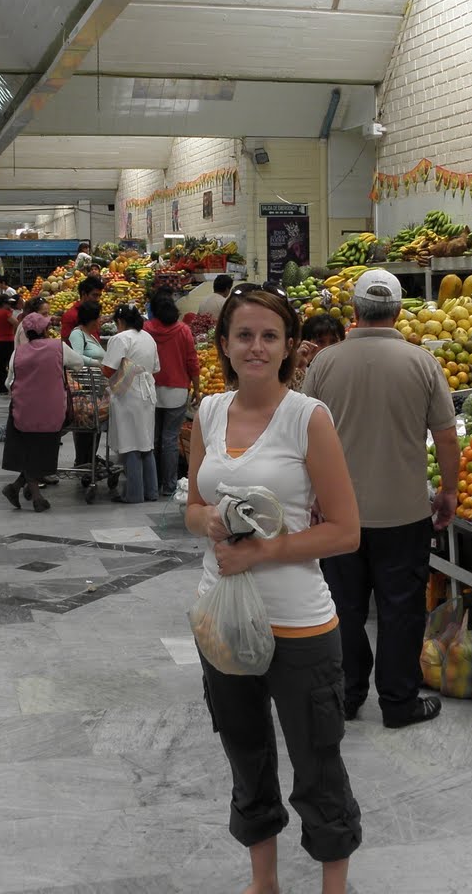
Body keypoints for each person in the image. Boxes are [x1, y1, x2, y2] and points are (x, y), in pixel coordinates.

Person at [186, 286, 362, 892]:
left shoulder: (308, 418)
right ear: (225, 344)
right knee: (246, 755)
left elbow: (345, 531)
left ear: (289, 347)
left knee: (318, 762)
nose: (256, 347)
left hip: (299, 625)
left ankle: (333, 887)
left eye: (269, 336)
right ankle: (264, 883)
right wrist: (209, 521)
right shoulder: (209, 413)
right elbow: (192, 507)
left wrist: (263, 551)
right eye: (244, 335)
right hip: (222, 620)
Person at [302, 269, 457, 728]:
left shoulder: (324, 364)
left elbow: (302, 435)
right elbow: (447, 437)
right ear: (399, 310)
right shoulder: (422, 362)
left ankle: (346, 695)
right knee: (401, 610)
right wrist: (449, 491)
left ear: (354, 310)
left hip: (338, 514)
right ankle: (398, 701)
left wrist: (311, 495)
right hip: (404, 514)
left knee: (344, 609)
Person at [2, 313, 67, 513]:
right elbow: (78, 362)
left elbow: (8, 383)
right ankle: (35, 497)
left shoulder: (18, 353)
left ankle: (16, 488)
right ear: (45, 330)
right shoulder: (58, 347)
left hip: (24, 409)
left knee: (28, 450)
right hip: (51, 410)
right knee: (42, 451)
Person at [102, 304, 161, 504]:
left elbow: (108, 370)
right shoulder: (148, 337)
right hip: (148, 392)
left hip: (128, 392)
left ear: (120, 321)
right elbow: (156, 367)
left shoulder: (120, 338)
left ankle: (134, 494)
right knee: (146, 442)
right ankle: (151, 491)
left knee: (131, 443)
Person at [146, 293, 198, 499]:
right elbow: (192, 361)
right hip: (177, 391)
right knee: (170, 439)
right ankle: (169, 485)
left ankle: (153, 482)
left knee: (153, 438)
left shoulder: (146, 330)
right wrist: (197, 388)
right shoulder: (183, 330)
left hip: (151, 389)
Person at [67, 301, 107, 480]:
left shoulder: (90, 335)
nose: (101, 320)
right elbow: (75, 358)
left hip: (94, 389)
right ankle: (83, 463)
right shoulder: (77, 334)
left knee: (93, 427)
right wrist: (96, 363)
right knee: (85, 427)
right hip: (84, 389)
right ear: (92, 319)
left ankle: (89, 461)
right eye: (99, 317)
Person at [291, 313, 345, 390]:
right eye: (320, 341)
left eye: (333, 341)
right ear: (306, 343)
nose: (327, 347)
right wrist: (300, 369)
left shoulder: (348, 370)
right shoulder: (299, 371)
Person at [0, 294, 18, 395]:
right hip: (8, 341)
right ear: (4, 303)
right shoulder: (6, 313)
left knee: (1, 365)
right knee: (10, 365)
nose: (10, 305)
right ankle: (10, 386)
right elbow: (16, 323)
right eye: (8, 303)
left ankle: (2, 388)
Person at [61, 276, 104, 343]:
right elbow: (66, 343)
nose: (98, 299)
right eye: (95, 295)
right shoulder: (71, 315)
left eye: (99, 296)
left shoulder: (94, 312)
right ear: (84, 294)